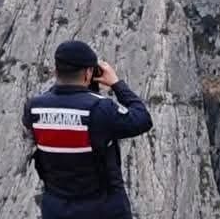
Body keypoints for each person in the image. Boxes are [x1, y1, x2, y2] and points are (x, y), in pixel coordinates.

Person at [23, 40, 154, 219]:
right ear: (88, 73)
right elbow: (143, 119)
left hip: (56, 209)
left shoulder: (34, 108)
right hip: (102, 209)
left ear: (56, 70)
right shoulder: (100, 108)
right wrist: (116, 83)